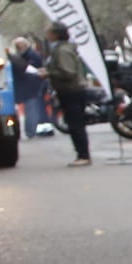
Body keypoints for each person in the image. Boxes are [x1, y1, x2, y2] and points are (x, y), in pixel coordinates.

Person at [42, 22, 93, 165]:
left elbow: (68, 72)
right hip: (67, 90)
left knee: (76, 124)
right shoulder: (57, 49)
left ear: (56, 34)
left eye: (49, 32)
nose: (47, 35)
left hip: (71, 90)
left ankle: (83, 155)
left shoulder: (63, 51)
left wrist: (49, 74)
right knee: (73, 123)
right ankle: (81, 154)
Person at [10, 36, 52, 139]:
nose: (18, 48)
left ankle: (33, 132)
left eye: (18, 46)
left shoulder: (30, 55)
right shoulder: (27, 55)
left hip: (32, 87)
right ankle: (35, 131)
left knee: (33, 110)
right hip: (30, 87)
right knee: (35, 109)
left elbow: (31, 69)